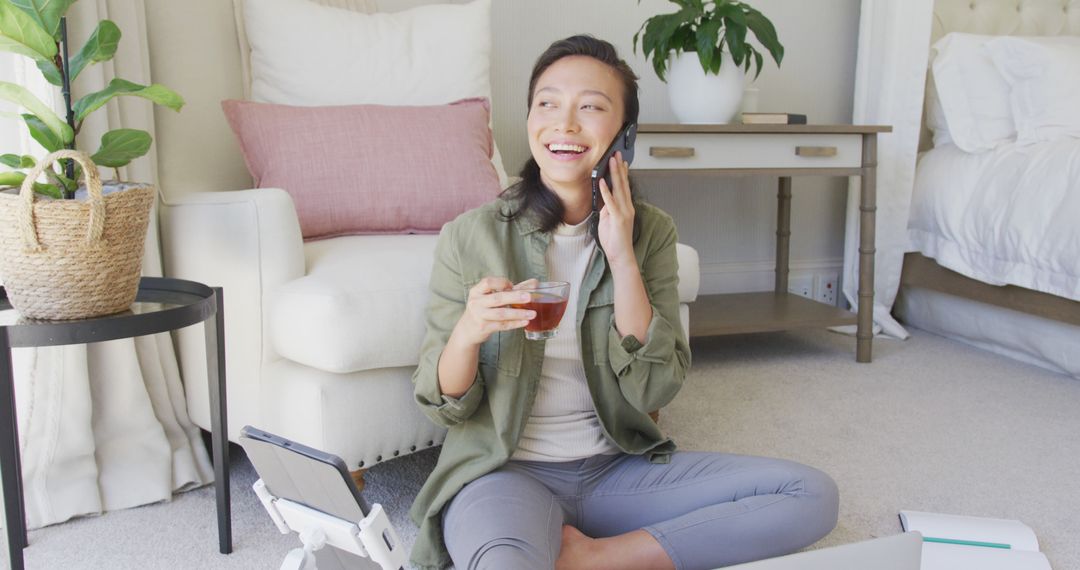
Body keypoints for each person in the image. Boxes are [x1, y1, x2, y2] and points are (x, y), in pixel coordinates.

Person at [408, 35, 839, 570]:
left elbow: (657, 386)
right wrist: (469, 332)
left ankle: (594, 559)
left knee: (810, 495)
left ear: (623, 136)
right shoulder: (470, 237)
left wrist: (622, 258)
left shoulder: (651, 233)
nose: (564, 124)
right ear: (529, 120)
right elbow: (440, 401)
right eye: (547, 103)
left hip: (618, 470)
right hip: (505, 474)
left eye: (590, 107)